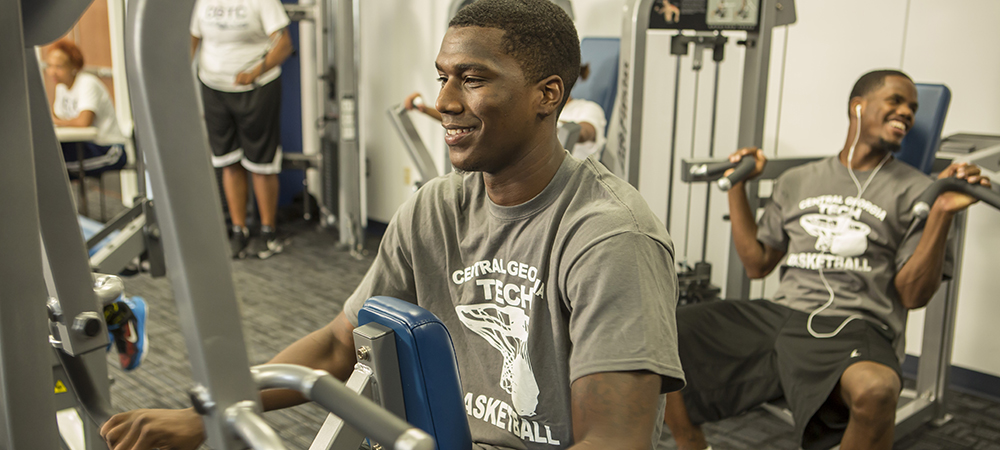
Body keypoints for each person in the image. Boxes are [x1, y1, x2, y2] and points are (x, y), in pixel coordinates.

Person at [101, 0, 685, 448]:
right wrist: (211, 417)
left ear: (546, 95)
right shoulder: (434, 210)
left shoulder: (610, 238)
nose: (447, 102)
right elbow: (337, 345)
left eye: (473, 79)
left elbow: (613, 442)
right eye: (444, 77)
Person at [662, 70, 992, 450]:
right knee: (660, 329)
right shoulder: (798, 180)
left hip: (857, 324)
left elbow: (913, 295)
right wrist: (737, 187)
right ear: (858, 106)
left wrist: (942, 214)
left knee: (878, 390)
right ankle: (692, 445)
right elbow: (757, 264)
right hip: (781, 315)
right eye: (896, 101)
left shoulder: (919, 191)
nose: (907, 113)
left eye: (913, 108)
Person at [190, 0, 293, 259]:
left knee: (261, 163)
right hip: (213, 87)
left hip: (256, 88)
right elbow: (192, 40)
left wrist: (255, 72)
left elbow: (283, 45)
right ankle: (240, 230)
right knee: (227, 161)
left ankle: (268, 231)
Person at [405, 63, 607, 161]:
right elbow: (463, 119)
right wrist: (423, 109)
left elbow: (585, 131)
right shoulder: (524, 110)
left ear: (551, 90)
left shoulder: (587, 109)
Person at [45, 40, 127, 179]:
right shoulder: (61, 88)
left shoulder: (87, 83)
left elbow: (83, 122)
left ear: (74, 67)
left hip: (109, 149)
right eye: (49, 66)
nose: (52, 72)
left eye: (59, 66)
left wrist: (53, 120)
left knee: (54, 169)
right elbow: (60, 120)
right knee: (48, 158)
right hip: (83, 145)